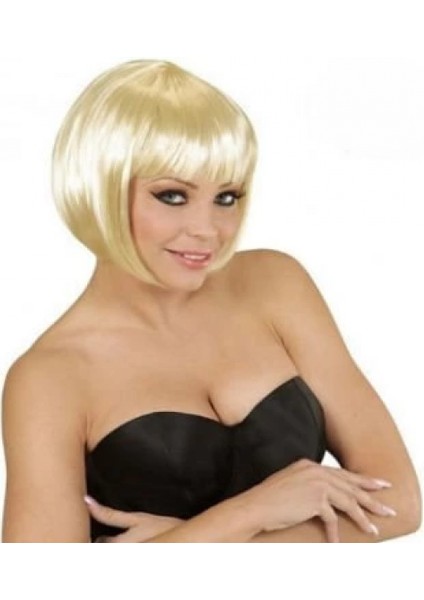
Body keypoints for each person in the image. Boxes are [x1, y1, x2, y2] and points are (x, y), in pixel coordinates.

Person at [1, 59, 421, 543]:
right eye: (172, 196)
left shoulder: (276, 284)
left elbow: (398, 504)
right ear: (100, 190)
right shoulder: (50, 378)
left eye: (226, 197)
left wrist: (189, 543)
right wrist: (250, 512)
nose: (208, 230)